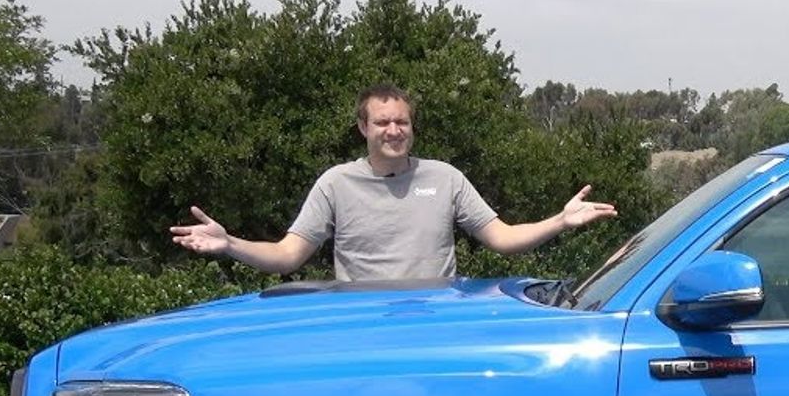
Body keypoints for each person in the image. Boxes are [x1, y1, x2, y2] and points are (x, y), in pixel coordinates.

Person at [169, 84, 618, 280]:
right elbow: (288, 256)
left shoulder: (445, 178)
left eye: (402, 122)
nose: (394, 130)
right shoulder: (335, 184)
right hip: (364, 332)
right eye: (383, 122)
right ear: (363, 128)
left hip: (435, 328)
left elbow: (501, 238)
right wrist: (230, 244)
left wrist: (560, 221)